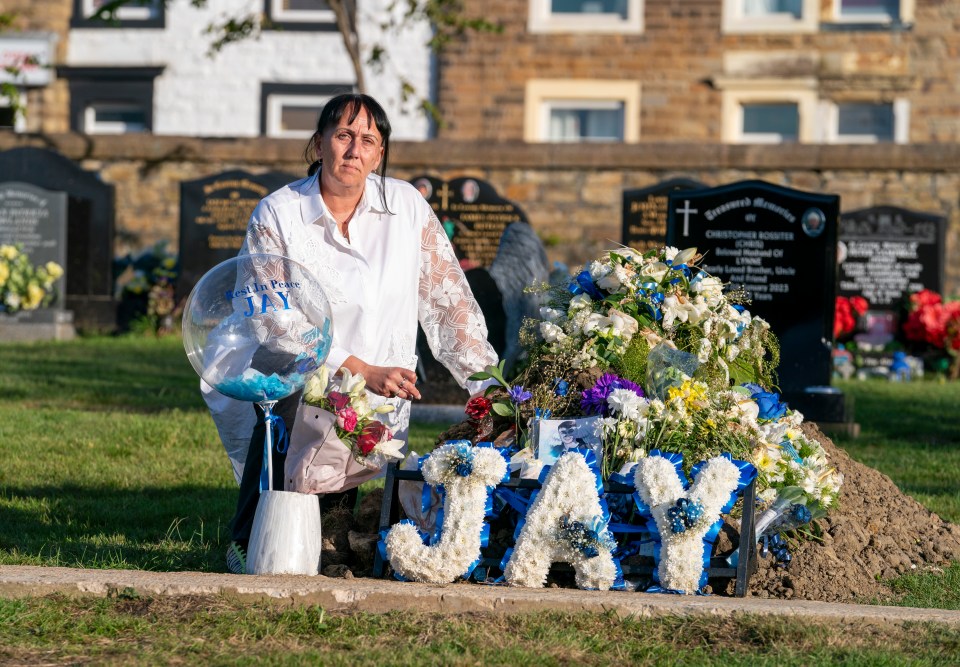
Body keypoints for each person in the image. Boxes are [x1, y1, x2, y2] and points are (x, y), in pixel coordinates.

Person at [203, 93, 498, 574]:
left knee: (349, 476)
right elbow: (272, 317)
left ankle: (330, 545)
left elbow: (450, 303)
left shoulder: (406, 207)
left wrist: (486, 383)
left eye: (368, 140)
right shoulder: (277, 213)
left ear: (379, 154)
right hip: (296, 375)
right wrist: (358, 369)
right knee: (284, 496)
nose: (353, 150)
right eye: (343, 135)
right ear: (319, 143)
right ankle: (249, 540)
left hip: (380, 385)